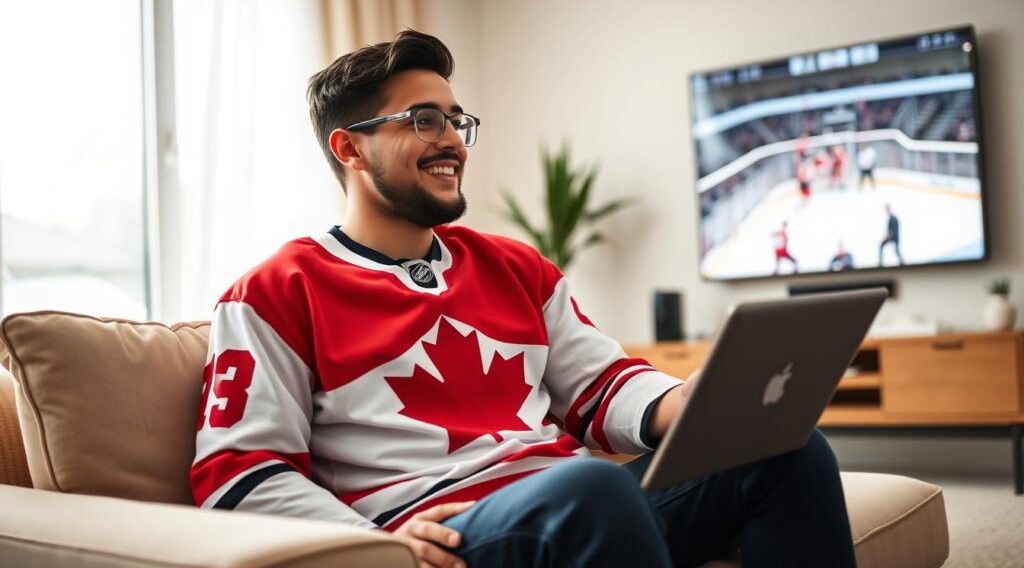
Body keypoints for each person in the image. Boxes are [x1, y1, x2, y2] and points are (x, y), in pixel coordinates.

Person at [190, 30, 856, 568]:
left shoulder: (514, 266)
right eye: (424, 119)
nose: (451, 138)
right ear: (350, 149)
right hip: (455, 536)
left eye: (456, 119)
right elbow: (237, 473)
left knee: (787, 447)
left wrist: (689, 400)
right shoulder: (275, 292)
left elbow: (602, 383)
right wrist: (373, 545)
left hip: (586, 510)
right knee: (589, 488)